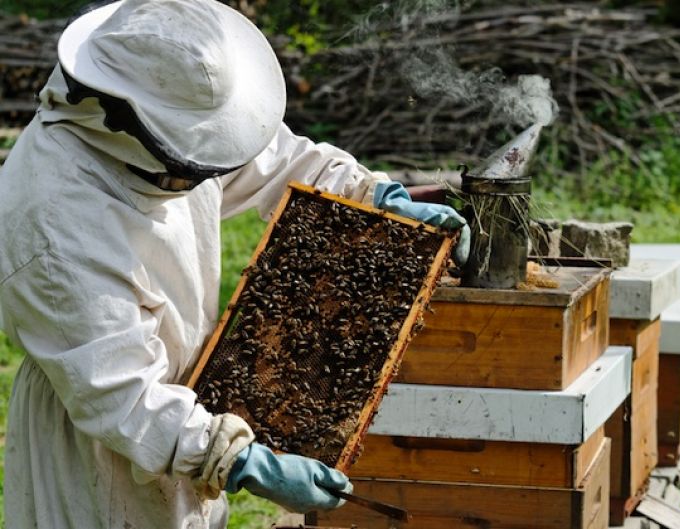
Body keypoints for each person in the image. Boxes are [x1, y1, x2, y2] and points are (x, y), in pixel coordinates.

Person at [0, 1, 469, 528]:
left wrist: (374, 195)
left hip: (182, 405)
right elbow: (122, 396)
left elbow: (272, 160)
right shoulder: (50, 220)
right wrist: (233, 456)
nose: (199, 174)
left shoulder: (161, 118)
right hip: (96, 444)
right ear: (126, 124)